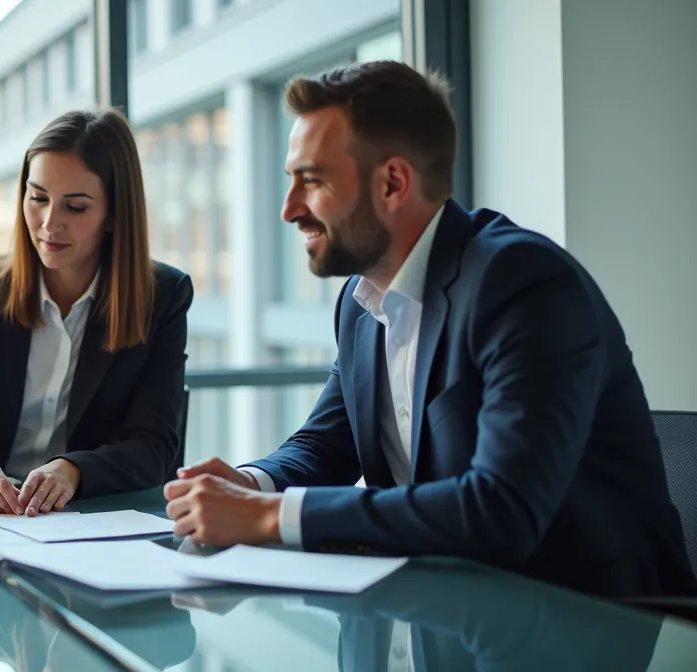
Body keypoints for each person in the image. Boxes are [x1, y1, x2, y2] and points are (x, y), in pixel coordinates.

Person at [163, 60, 696, 598]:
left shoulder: (522, 284)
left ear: (393, 182)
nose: (289, 209)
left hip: (592, 621)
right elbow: (326, 446)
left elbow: (500, 509)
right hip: (442, 607)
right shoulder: (359, 300)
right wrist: (251, 484)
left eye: (313, 180)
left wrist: (268, 517)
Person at [0, 109, 193, 515]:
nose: (48, 224)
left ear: (114, 213)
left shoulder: (163, 297)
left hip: (94, 520)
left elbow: (154, 446)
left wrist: (73, 470)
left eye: (75, 207)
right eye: (37, 197)